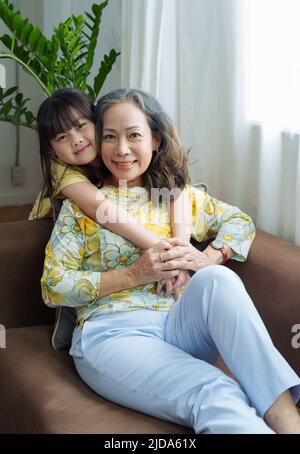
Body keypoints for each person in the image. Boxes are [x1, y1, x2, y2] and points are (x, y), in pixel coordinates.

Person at [41, 88, 300, 434]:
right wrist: (134, 273)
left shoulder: (178, 196)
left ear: (155, 139)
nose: (121, 149)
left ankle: (284, 416)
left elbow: (239, 223)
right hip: (115, 333)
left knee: (217, 280)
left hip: (178, 323)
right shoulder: (82, 208)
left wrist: (207, 257)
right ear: (99, 144)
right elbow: (53, 286)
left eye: (134, 135)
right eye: (110, 137)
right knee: (217, 390)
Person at [30, 88, 191, 297]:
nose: (76, 139)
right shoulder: (62, 169)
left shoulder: (120, 155)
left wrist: (182, 251)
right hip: (47, 228)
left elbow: (176, 188)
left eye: (80, 126)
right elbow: (100, 207)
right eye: (62, 137)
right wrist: (166, 254)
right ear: (52, 150)